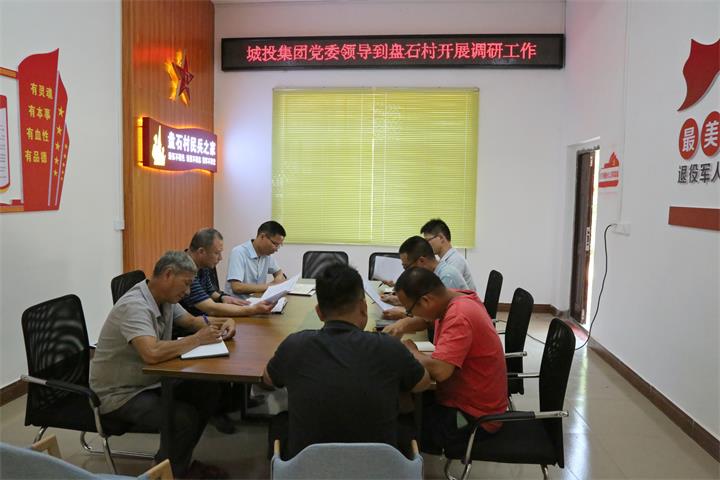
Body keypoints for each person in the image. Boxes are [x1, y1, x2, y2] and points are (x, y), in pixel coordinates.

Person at [90, 251, 236, 479]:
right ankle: (171, 474)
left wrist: (225, 321)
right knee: (182, 418)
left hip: (149, 381)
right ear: (168, 274)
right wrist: (198, 339)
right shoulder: (135, 306)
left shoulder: (164, 297)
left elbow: (192, 321)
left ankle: (172, 464)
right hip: (119, 394)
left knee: (208, 390)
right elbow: (151, 353)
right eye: (186, 284)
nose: (188, 292)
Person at [262, 264, 431, 460]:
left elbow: (268, 379)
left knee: (280, 423)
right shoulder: (389, 347)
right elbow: (423, 383)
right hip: (377, 466)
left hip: (310, 467)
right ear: (363, 308)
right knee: (406, 419)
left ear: (319, 312)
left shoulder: (294, 345)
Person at [393, 267, 507, 453]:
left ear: (426, 300)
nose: (410, 314)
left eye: (410, 310)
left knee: (399, 429)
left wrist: (411, 351)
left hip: (473, 420)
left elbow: (441, 371)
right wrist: (402, 325)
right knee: (404, 404)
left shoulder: (459, 316)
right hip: (465, 402)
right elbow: (428, 320)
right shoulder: (454, 298)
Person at [380, 236, 467, 332]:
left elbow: (437, 318)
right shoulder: (433, 274)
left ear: (421, 261)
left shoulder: (446, 277)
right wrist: (399, 301)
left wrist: (403, 315)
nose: (406, 272)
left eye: (406, 267)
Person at [181, 227, 273, 317]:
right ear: (201, 252)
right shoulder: (185, 269)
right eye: (217, 253)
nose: (220, 258)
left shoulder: (202, 264)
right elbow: (211, 308)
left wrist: (223, 297)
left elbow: (210, 292)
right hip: (191, 323)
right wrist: (253, 310)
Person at [225, 221, 287, 300]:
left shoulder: (266, 254)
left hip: (258, 301)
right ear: (262, 237)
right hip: (238, 303)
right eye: (275, 244)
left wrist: (278, 280)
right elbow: (237, 287)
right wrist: (271, 286)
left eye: (279, 245)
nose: (276, 249)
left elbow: (279, 272)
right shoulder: (239, 252)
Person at [420, 218, 476, 291]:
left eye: (428, 240)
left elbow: (444, 291)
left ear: (441, 238)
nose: (426, 245)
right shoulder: (442, 261)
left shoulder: (456, 261)